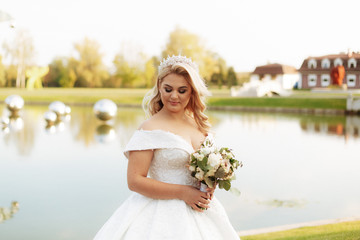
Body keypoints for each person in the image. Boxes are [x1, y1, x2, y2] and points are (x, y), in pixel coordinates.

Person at [94, 55, 240, 240]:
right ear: (159, 87)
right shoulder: (149, 129)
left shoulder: (200, 125)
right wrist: (184, 192)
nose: (174, 96)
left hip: (202, 212)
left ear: (192, 92)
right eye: (168, 89)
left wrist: (210, 184)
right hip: (159, 214)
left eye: (182, 90)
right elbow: (134, 181)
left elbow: (206, 170)